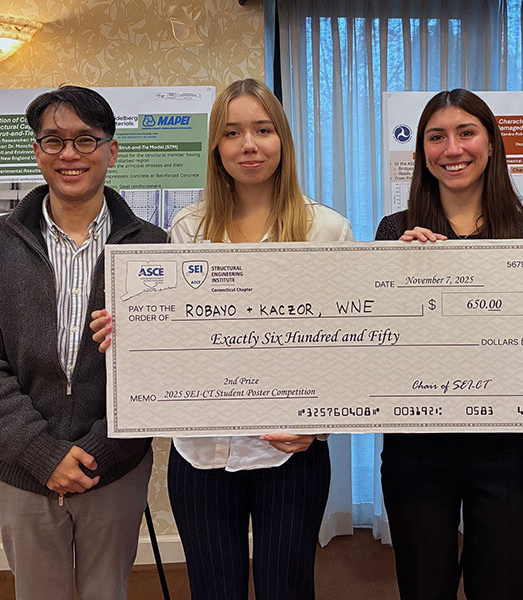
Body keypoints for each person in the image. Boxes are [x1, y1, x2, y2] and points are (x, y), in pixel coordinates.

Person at [92, 78, 352, 600]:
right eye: (232, 133)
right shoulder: (187, 227)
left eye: (262, 130)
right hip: (200, 451)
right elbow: (176, 329)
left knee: (287, 587)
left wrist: (319, 427)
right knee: (214, 588)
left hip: (289, 450)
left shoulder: (326, 229)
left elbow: (345, 346)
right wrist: (130, 328)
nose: (248, 145)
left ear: (283, 140)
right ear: (216, 146)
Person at [0, 86, 167, 600]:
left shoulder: (152, 246)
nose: (69, 154)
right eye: (53, 141)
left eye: (86, 140)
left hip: (114, 465)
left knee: (106, 593)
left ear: (111, 152)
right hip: (22, 468)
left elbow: (159, 365)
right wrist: (41, 453)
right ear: (36, 151)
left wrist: (99, 449)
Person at [374, 88, 523, 599]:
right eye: (436, 137)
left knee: (505, 584)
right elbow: (378, 352)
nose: (452, 149)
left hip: (504, 446)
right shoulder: (395, 233)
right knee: (423, 585)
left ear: (490, 144)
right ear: (421, 153)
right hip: (416, 446)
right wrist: (389, 285)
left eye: (466, 133)